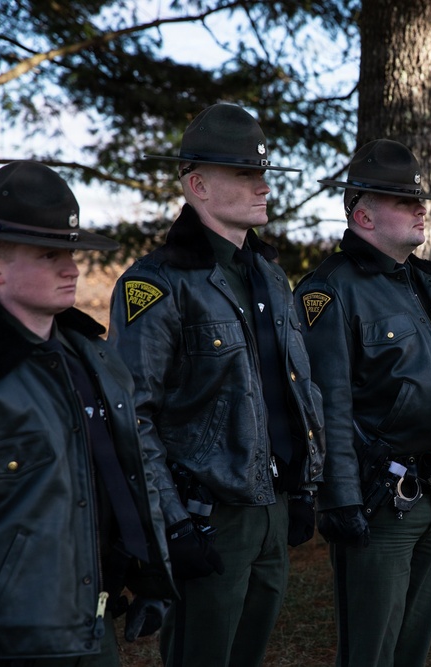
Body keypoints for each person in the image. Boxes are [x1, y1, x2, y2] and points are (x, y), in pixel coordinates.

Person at [108, 103, 325, 667]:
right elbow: (133, 415)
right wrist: (174, 523)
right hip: (209, 516)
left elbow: (296, 388)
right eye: (245, 174)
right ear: (198, 184)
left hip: (272, 507)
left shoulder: (272, 277)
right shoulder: (156, 286)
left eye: (263, 173)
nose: (264, 187)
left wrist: (303, 487)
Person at [0, 161, 175, 666]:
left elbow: (130, 473)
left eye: (71, 252)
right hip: (2, 647)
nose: (72, 268)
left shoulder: (95, 359)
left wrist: (151, 574)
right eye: (50, 255)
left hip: (94, 630)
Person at [294, 138, 431, 666]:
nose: (422, 208)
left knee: (413, 647)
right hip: (379, 502)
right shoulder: (329, 291)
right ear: (364, 216)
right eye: (405, 202)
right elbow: (327, 406)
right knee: (371, 650)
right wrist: (341, 500)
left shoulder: (421, 283)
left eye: (420, 199)